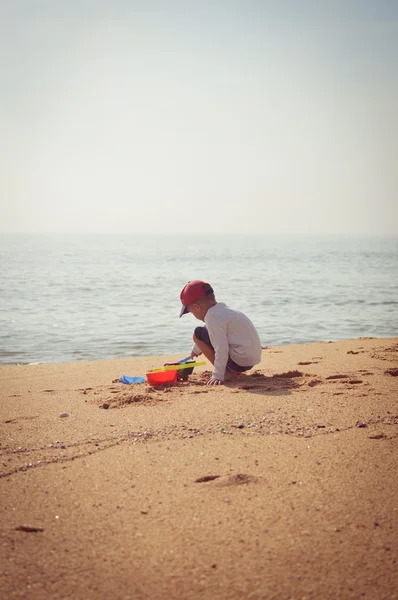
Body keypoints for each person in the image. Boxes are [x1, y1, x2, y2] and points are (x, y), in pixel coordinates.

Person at [179, 280, 262, 386]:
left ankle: (227, 373)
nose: (194, 315)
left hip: (239, 362)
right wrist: (196, 349)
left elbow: (221, 348)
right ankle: (230, 371)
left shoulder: (212, 316)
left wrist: (217, 375)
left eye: (191, 312)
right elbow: (210, 330)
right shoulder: (222, 311)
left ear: (196, 307)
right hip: (251, 359)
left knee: (197, 334)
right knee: (203, 333)